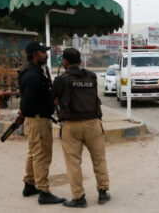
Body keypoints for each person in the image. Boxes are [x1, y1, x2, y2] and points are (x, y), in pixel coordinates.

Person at [53, 48, 110, 208]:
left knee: (73, 163)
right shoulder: (91, 76)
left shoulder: (61, 80)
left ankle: (79, 198)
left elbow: (53, 100)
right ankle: (103, 192)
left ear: (65, 62)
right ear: (79, 60)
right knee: (99, 159)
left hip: (71, 126)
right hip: (93, 123)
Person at [18, 41, 66, 204]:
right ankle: (44, 192)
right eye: (43, 52)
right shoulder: (32, 75)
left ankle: (30, 184)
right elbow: (27, 101)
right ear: (35, 55)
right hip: (38, 120)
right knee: (42, 155)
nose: (46, 54)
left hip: (36, 119)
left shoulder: (35, 71)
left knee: (33, 153)